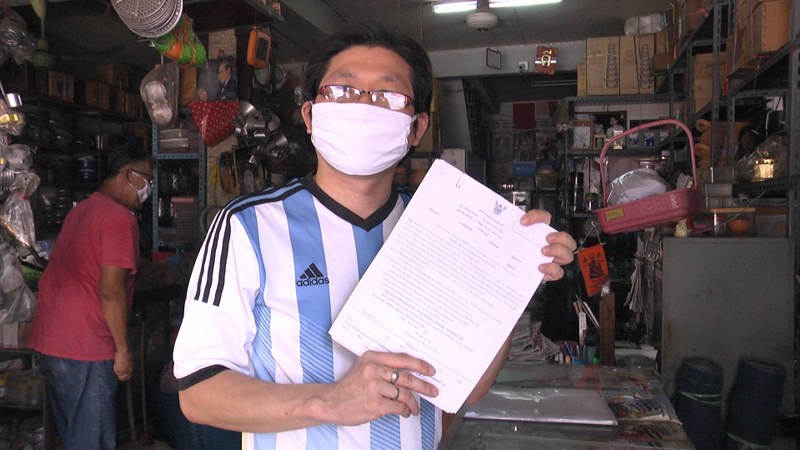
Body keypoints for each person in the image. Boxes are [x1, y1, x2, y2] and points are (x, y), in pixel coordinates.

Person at [172, 22, 576, 450]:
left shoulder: (444, 229)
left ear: (416, 128)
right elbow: (197, 392)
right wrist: (330, 401)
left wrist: (510, 278)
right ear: (310, 116)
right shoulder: (247, 226)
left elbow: (466, 389)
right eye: (342, 90)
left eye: (388, 95)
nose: (363, 106)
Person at [29, 147, 154, 450]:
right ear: (128, 175)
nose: (148, 190)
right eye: (147, 180)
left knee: (75, 438)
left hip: (52, 344)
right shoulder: (118, 218)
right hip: (86, 349)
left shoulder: (84, 209)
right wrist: (123, 349)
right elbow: (110, 291)